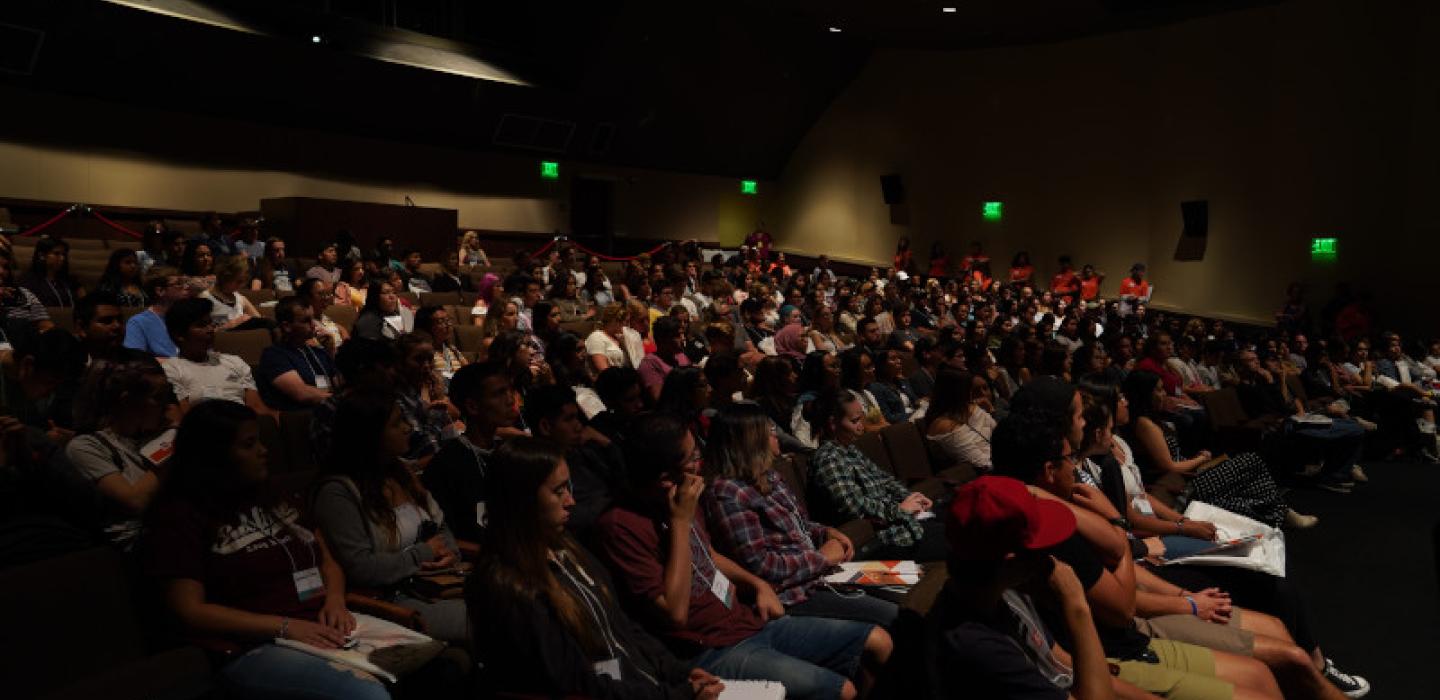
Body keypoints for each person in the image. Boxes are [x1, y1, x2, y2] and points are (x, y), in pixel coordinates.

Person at [596, 411, 892, 700]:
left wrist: (757, 584)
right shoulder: (622, 526)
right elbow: (675, 613)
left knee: (879, 641)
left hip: (746, 620)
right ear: (665, 478)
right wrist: (680, 523)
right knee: (841, 690)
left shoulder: (683, 497)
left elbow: (708, 554)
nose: (701, 464)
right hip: (708, 649)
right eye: (693, 458)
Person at [991, 410, 1284, 700]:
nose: (1081, 424)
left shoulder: (1080, 488)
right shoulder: (1050, 531)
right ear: (1049, 471)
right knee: (1270, 643)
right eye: (1078, 415)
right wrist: (1188, 603)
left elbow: (1124, 536)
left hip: (1129, 620)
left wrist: (1185, 596)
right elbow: (1122, 602)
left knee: (1274, 644)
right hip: (1123, 641)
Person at [141, 401, 390, 700]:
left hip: (321, 623)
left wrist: (335, 600)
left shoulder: (273, 495)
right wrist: (284, 626)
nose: (264, 450)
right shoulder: (180, 516)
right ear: (213, 456)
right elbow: (189, 609)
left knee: (430, 663)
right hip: (252, 645)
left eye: (259, 440)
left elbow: (327, 559)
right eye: (249, 444)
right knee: (366, 695)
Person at [465, 436, 726, 699]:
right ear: (521, 500)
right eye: (558, 491)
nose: (571, 501)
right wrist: (678, 695)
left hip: (648, 686)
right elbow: (578, 685)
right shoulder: (512, 586)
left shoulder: (569, 550)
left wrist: (678, 672)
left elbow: (624, 628)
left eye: (569, 487)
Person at [702, 403, 898, 627]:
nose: (777, 436)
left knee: (905, 589)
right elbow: (760, 567)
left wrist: (826, 532)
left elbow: (800, 526)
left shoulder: (768, 476)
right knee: (894, 616)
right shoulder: (727, 493)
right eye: (770, 431)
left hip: (818, 574)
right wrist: (821, 558)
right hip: (793, 594)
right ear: (751, 441)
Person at [310, 387, 471, 644]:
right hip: (391, 598)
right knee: (499, 618)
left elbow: (441, 528)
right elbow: (361, 568)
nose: (409, 427)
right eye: (397, 423)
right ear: (369, 434)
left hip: (438, 582)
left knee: (526, 600)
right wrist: (424, 554)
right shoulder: (338, 492)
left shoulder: (402, 472)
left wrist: (449, 551)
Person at [930, 475, 1112, 700]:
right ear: (1010, 562)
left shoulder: (1000, 593)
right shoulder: (977, 648)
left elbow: (1059, 660)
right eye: (1041, 550)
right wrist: (1076, 607)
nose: (1050, 559)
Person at [1121, 371, 1306, 530]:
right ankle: (1281, 510)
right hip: (1180, 484)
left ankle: (1279, 511)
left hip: (1186, 475)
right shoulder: (1144, 423)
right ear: (1145, 393)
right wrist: (1200, 459)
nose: (1164, 394)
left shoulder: (1151, 419)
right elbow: (1170, 467)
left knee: (1248, 478)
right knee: (1251, 461)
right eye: (1159, 389)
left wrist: (1196, 458)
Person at [806, 388, 947, 561]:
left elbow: (885, 480)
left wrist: (912, 498)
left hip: (904, 523)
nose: (861, 426)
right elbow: (854, 507)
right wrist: (899, 510)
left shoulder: (849, 449)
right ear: (832, 423)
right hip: (887, 539)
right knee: (962, 542)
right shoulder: (828, 459)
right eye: (855, 420)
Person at [62, 352, 173, 550]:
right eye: (159, 397)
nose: (167, 405)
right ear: (127, 400)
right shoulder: (86, 446)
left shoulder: (166, 431)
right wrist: (173, 450)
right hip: (138, 545)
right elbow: (134, 501)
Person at [422, 362, 516, 544]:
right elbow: (441, 536)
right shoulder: (447, 464)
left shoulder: (509, 452)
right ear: (473, 406)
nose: (510, 400)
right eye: (499, 394)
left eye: (509, 390)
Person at [162, 297, 271, 417]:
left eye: (210, 323)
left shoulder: (234, 362)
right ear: (179, 335)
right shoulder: (171, 369)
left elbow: (257, 408)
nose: (210, 329)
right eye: (201, 325)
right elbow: (185, 419)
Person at [256, 297, 336, 411]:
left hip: (330, 411)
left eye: (313, 318)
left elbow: (339, 384)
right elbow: (302, 393)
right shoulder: (274, 355)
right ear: (287, 326)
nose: (313, 324)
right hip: (301, 419)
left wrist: (331, 350)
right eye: (306, 320)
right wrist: (339, 400)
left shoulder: (319, 351)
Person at [925, 368, 996, 472]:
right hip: (983, 475)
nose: (972, 394)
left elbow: (1002, 438)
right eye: (968, 389)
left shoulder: (973, 408)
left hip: (1000, 462)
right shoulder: (944, 426)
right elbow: (981, 464)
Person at [124, 266, 191, 358]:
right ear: (160, 291)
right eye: (179, 283)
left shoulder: (189, 317)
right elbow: (136, 360)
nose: (186, 287)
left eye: (185, 283)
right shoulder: (138, 322)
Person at [202, 256, 266, 331]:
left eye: (244, 282)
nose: (242, 285)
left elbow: (261, 322)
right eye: (239, 282)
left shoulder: (241, 299)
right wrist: (228, 326)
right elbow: (200, 332)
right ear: (226, 277)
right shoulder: (205, 297)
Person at [639, 316, 693, 401]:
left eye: (683, 334)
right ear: (663, 339)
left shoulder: (682, 357)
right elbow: (659, 399)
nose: (683, 339)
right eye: (677, 336)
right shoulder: (649, 364)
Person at [20, 236, 83, 308]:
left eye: (63, 254)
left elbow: (85, 305)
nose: (62, 258)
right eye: (57, 254)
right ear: (42, 256)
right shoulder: (28, 281)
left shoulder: (71, 280)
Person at [867, 346, 920, 424]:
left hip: (915, 418)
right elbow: (888, 418)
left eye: (898, 358)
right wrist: (913, 415)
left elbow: (916, 401)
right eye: (893, 359)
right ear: (882, 365)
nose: (899, 361)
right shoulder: (876, 388)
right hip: (902, 425)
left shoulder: (902, 381)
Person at [587, 303, 643, 373]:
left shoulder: (620, 338)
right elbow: (604, 370)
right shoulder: (596, 337)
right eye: (626, 321)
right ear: (615, 321)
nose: (627, 326)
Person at [296, 278, 348, 354]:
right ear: (307, 298)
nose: (326, 298)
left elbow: (339, 328)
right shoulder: (306, 324)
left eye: (326, 294)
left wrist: (344, 335)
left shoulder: (323, 316)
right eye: (320, 294)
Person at [76, 292, 125, 363]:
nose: (117, 326)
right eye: (107, 321)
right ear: (81, 328)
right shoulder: (66, 363)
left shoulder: (139, 360)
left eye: (120, 320)